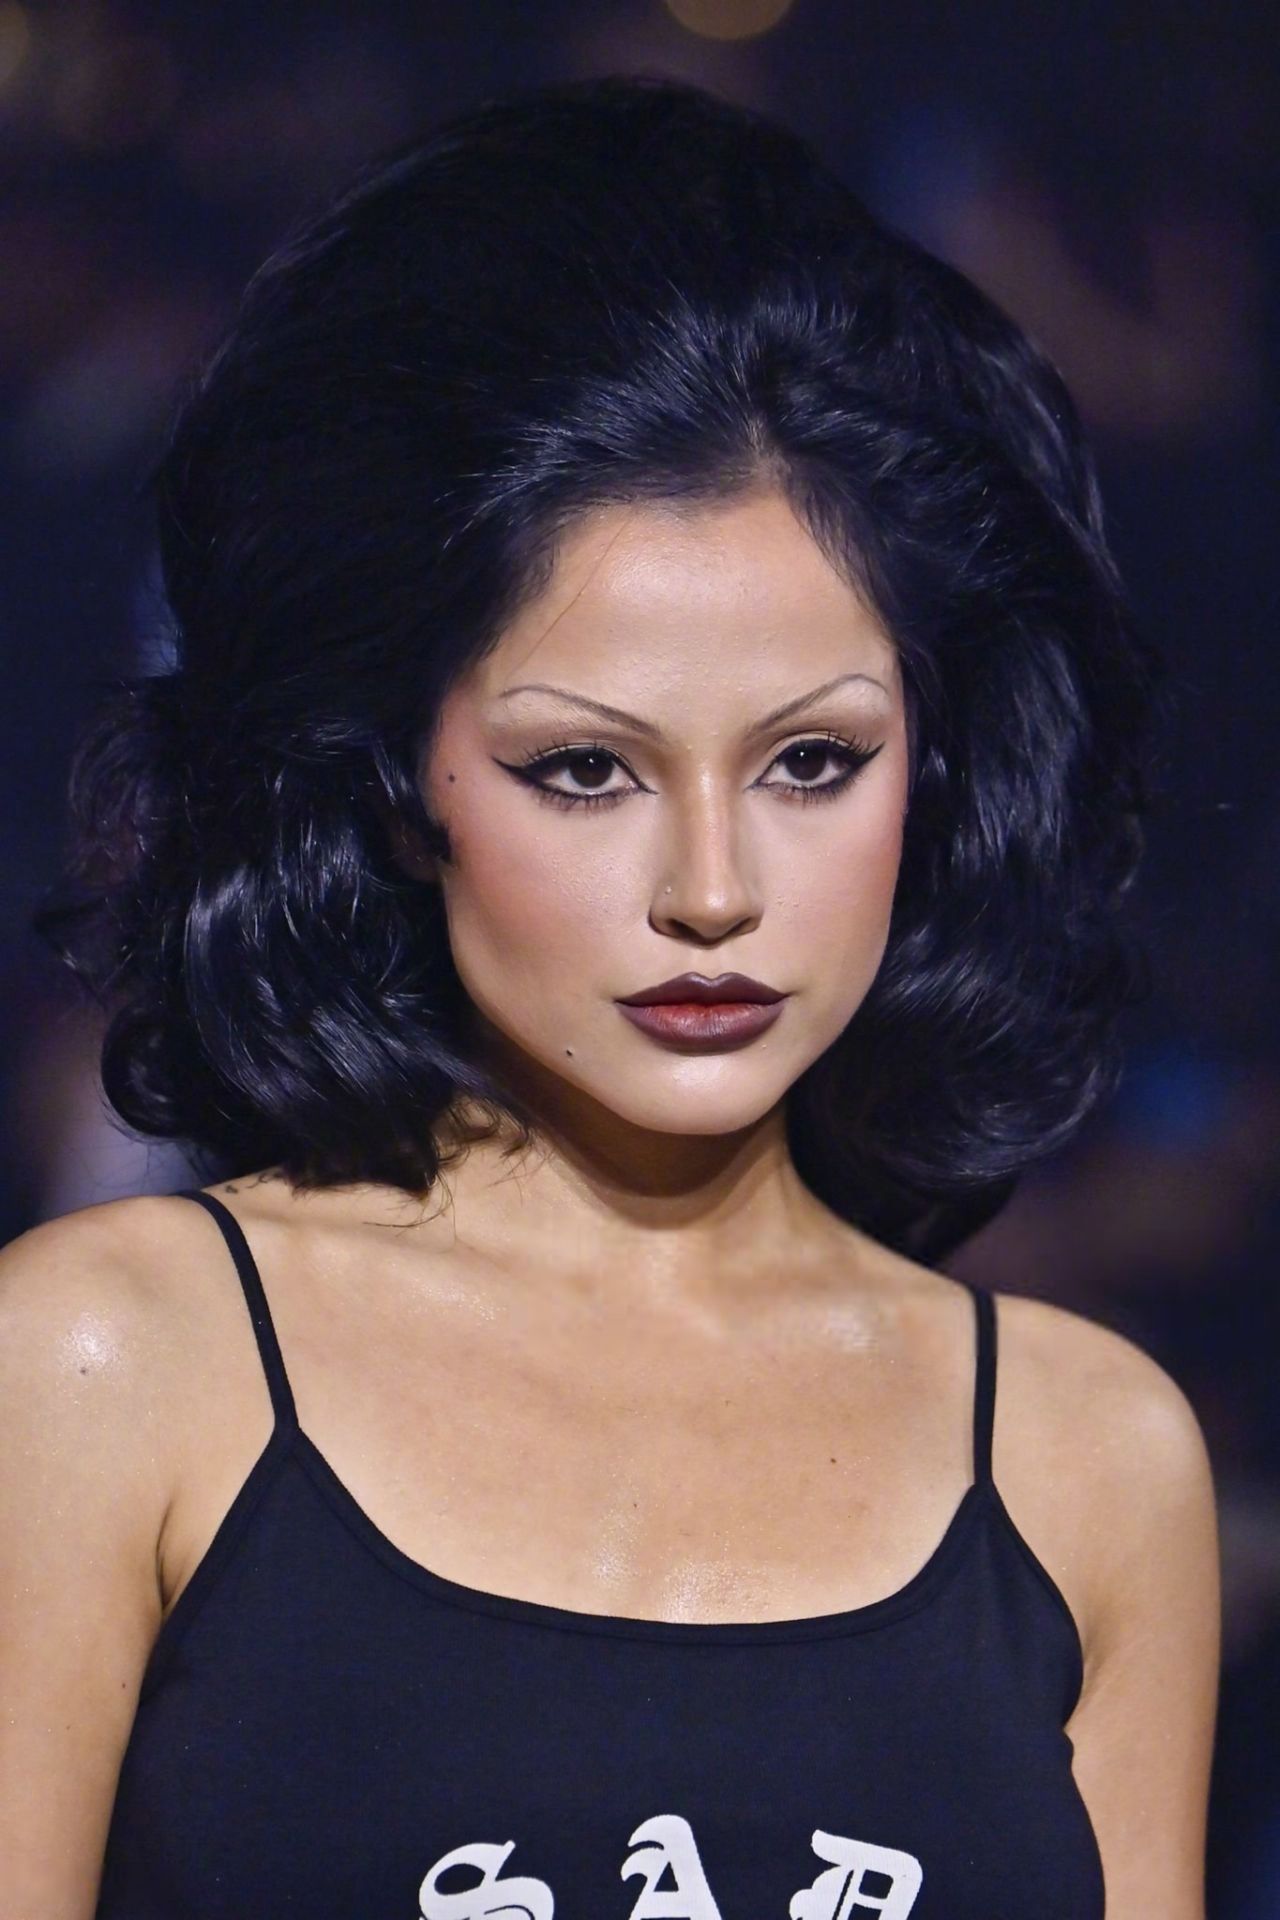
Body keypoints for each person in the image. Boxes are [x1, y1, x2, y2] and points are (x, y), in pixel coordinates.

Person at [0, 72, 1220, 1920]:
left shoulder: (1089, 1457)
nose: (712, 890)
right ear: (392, 786)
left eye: (813, 761)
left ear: (938, 767)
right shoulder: (109, 1367)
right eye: (584, 769)